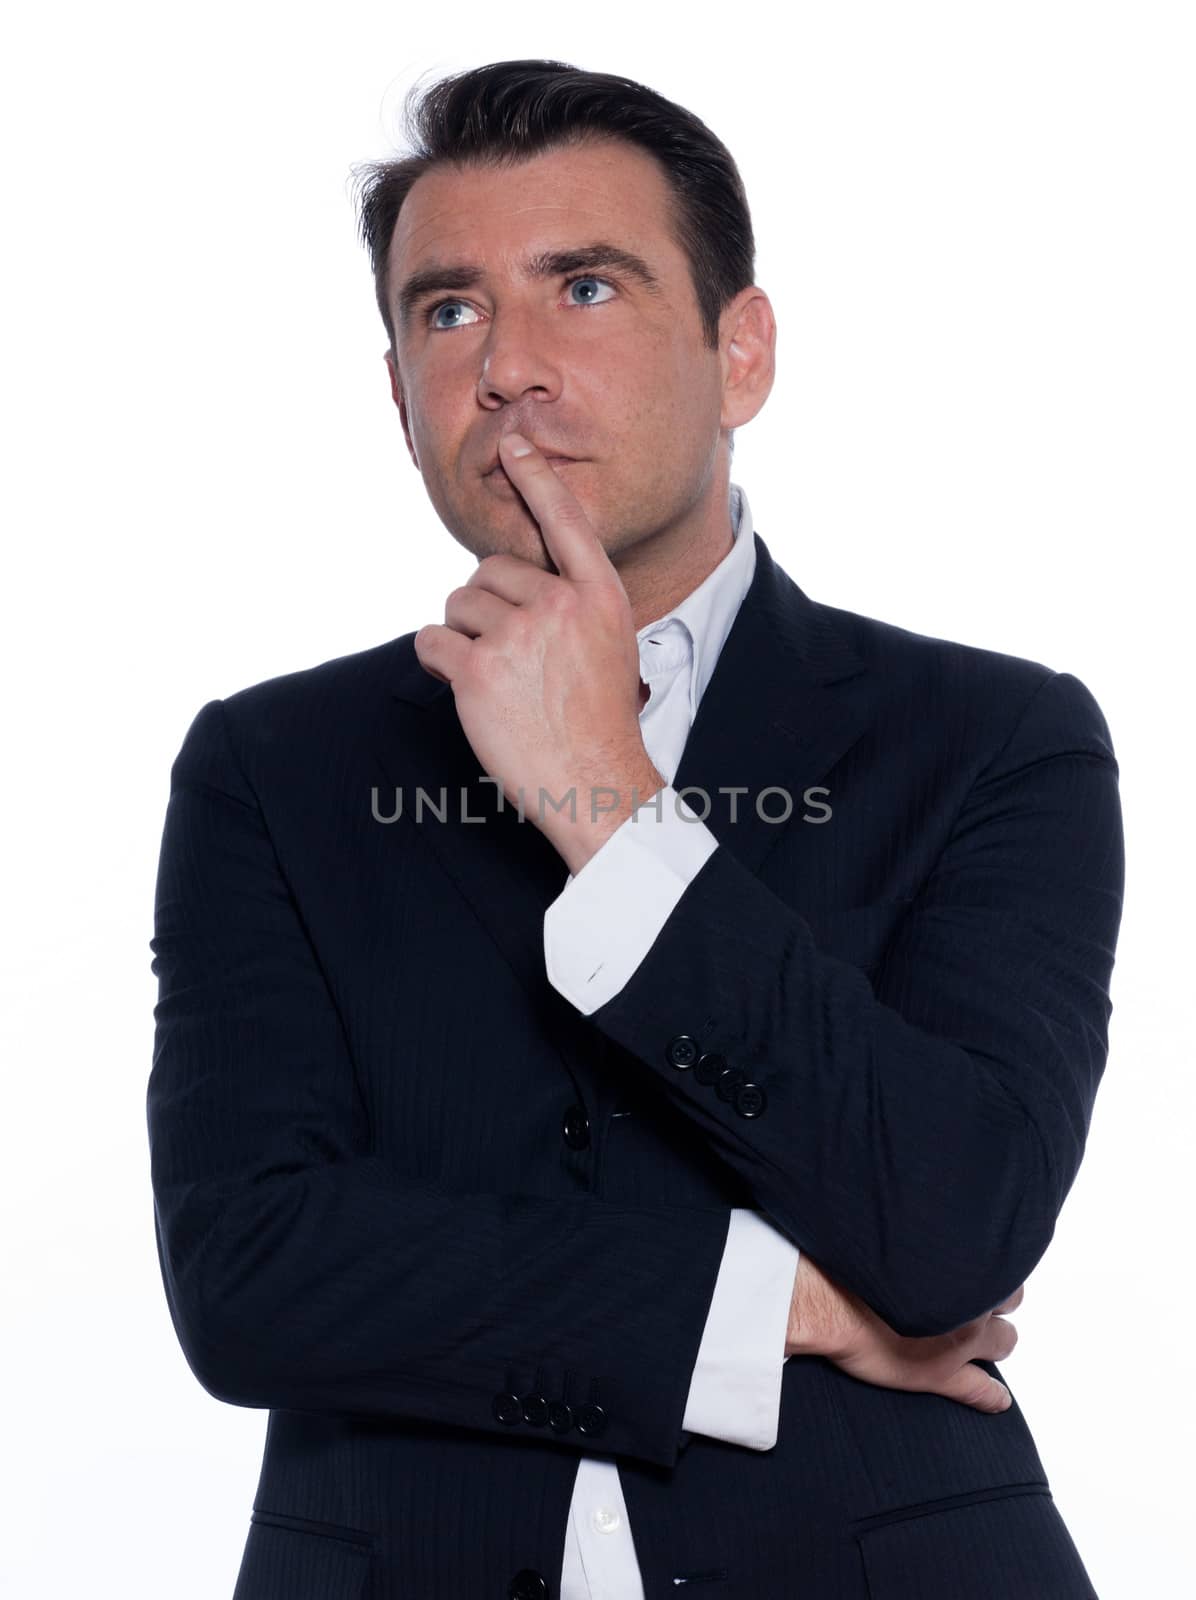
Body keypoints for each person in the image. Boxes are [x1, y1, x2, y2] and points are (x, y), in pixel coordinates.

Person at [147, 58, 1123, 1599]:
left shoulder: (994, 739)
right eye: (447, 311)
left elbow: (951, 1230)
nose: (507, 369)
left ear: (742, 354)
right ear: (397, 395)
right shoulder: (272, 767)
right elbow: (250, 1281)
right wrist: (777, 1307)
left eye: (584, 288)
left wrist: (609, 803)